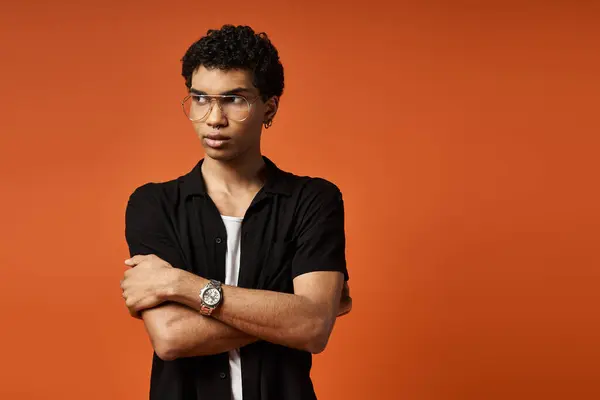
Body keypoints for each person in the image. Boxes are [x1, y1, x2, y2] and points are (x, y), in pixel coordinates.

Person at [120, 24, 352, 400]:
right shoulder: (154, 204)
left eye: (234, 99)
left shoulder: (313, 200)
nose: (213, 118)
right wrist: (292, 314)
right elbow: (170, 336)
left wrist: (180, 284)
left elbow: (312, 329)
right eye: (199, 98)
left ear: (269, 107)